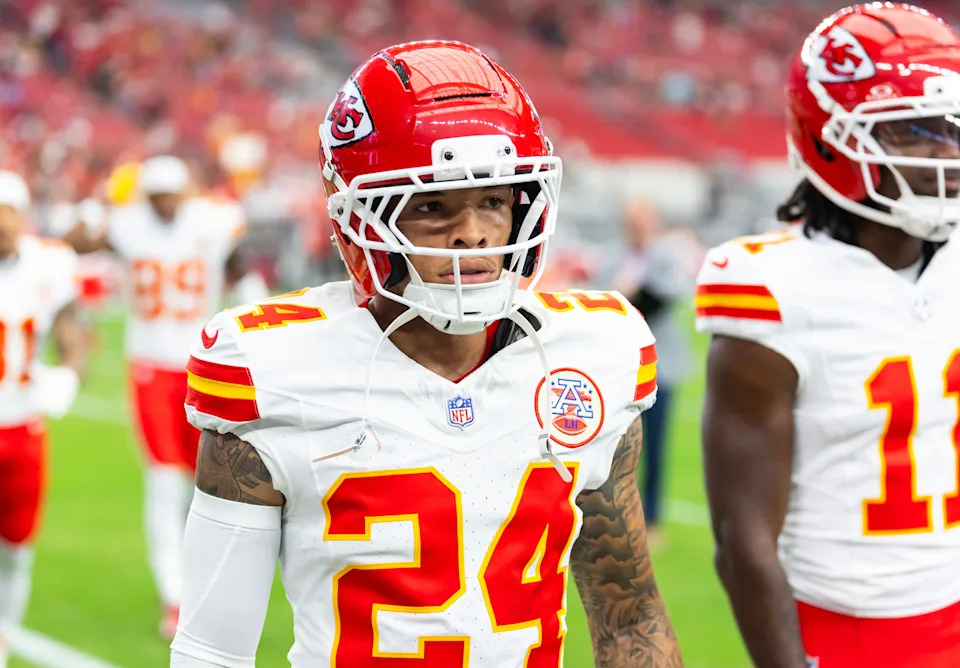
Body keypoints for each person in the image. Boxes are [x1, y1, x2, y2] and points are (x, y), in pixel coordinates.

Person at [171, 41, 682, 667]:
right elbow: (212, 651)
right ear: (361, 217)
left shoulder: (592, 355)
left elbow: (630, 619)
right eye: (433, 206)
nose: (473, 231)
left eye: (495, 200)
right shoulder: (273, 370)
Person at [697, 4, 960, 667]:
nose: (946, 154)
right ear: (829, 140)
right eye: (913, 132)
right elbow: (743, 537)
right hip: (852, 632)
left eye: (952, 129)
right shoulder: (775, 288)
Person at [64, 155, 268, 638]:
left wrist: (255, 319)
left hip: (204, 365)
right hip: (152, 367)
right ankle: (174, 596)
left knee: (208, 480)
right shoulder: (129, 225)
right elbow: (79, 243)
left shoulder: (210, 222)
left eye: (171, 193)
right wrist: (89, 219)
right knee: (164, 481)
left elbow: (242, 270)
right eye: (157, 195)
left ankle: (196, 582)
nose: (165, 203)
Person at [0, 171, 89, 667]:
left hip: (23, 427)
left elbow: (74, 324)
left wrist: (71, 374)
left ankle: (3, 640)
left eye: (11, 211)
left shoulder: (47, 265)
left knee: (17, 549)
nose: (4, 224)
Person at [612, 199, 698, 544]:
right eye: (632, 221)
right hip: (620, 368)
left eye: (643, 220)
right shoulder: (614, 255)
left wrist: (624, 298)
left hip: (659, 367)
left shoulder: (664, 257)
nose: (637, 227)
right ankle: (615, 514)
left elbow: (662, 298)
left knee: (655, 446)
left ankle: (653, 520)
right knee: (616, 447)